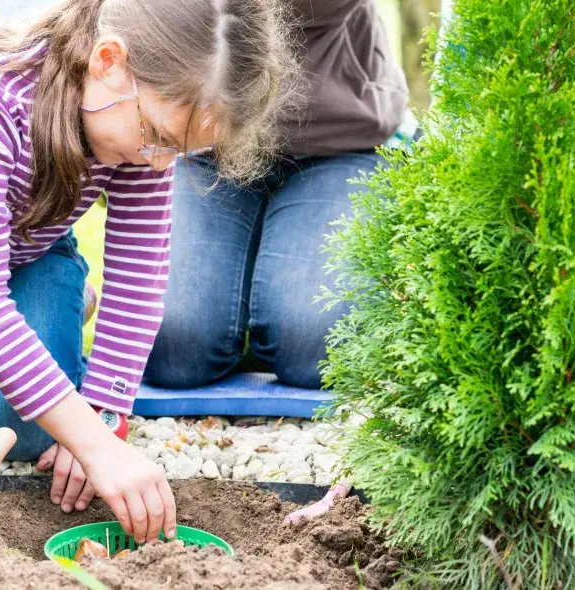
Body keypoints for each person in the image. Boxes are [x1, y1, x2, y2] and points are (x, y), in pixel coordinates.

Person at [0, 0, 288, 543]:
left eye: (177, 152)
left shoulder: (137, 124)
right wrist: (95, 447)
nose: (161, 164)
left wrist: (104, 417)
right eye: (158, 138)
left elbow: (139, 277)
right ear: (109, 61)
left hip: (25, 257)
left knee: (24, 429)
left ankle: (8, 330)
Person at [140, 0, 415, 520]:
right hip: (202, 130)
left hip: (338, 134)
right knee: (174, 345)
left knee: (316, 345)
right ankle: (238, 309)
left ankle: (267, 306)